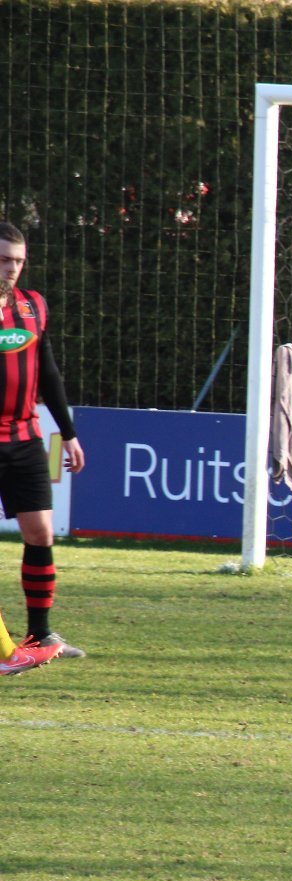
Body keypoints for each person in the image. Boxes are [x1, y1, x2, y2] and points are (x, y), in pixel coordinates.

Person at [0, 222, 86, 663]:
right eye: (4, 260)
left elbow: (47, 373)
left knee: (40, 532)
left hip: (24, 437)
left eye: (18, 261)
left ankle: (40, 635)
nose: (11, 268)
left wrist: (68, 434)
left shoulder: (33, 307)